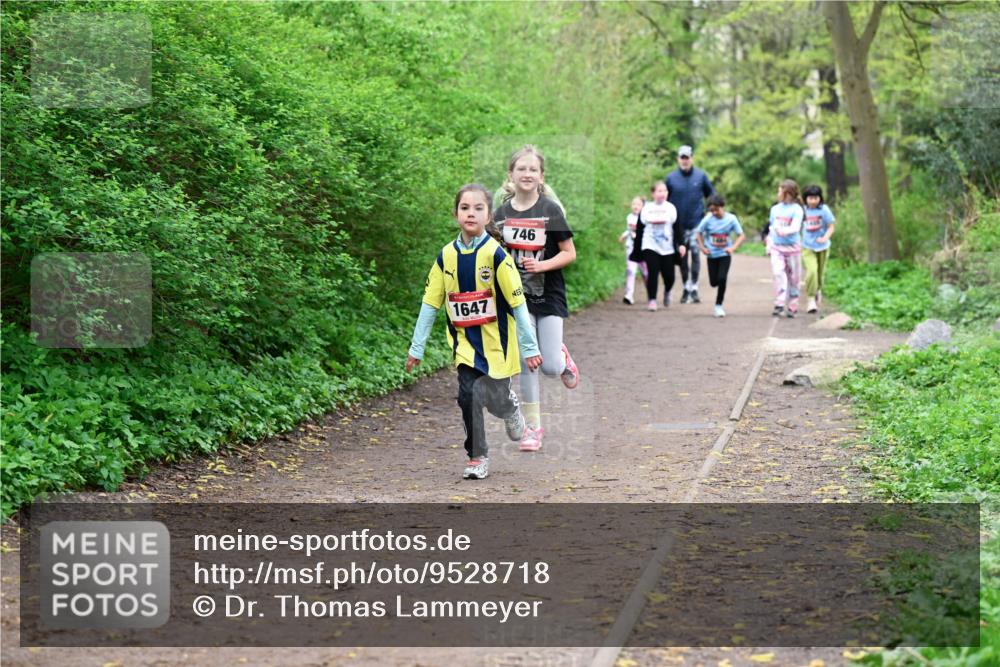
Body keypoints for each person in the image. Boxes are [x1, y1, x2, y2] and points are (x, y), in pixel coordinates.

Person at [406, 184, 543, 480]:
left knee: (496, 401)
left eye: (478, 208)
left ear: (488, 215)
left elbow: (519, 304)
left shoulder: (497, 256)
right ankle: (477, 456)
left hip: (498, 347)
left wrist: (529, 347)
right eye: (465, 208)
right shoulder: (445, 257)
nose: (471, 213)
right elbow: (430, 304)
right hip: (465, 346)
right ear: (456, 213)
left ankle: (511, 410)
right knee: (467, 395)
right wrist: (416, 348)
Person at [493, 145, 580, 453]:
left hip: (550, 292)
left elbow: (570, 253)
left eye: (533, 169)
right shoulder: (500, 215)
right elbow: (491, 255)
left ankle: (562, 356)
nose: (527, 174)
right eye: (521, 169)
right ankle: (533, 428)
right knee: (528, 362)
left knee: (551, 367)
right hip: (519, 298)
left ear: (541, 176)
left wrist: (542, 264)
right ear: (511, 175)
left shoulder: (550, 211)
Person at [665, 145, 716, 304]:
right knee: (681, 257)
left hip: (696, 223)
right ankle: (686, 287)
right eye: (682, 157)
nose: (685, 160)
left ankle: (694, 288)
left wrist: (710, 212)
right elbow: (663, 200)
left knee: (695, 254)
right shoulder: (671, 178)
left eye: (687, 157)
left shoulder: (701, 176)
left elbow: (712, 195)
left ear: (692, 158)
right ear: (678, 159)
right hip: (677, 225)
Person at [694, 193, 745, 318]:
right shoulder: (707, 220)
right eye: (712, 210)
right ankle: (717, 295)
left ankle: (718, 305)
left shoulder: (731, 219)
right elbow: (698, 233)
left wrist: (733, 248)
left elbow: (741, 235)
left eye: (717, 209)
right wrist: (702, 248)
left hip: (724, 254)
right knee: (713, 282)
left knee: (722, 278)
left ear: (723, 206)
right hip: (711, 254)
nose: (715, 212)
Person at [638, 181, 684, 312]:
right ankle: (652, 300)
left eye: (664, 191)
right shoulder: (646, 209)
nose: (662, 193)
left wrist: (681, 244)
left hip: (667, 247)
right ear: (653, 193)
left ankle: (667, 291)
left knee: (669, 276)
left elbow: (678, 228)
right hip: (650, 245)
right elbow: (640, 229)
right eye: (659, 191)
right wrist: (639, 249)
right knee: (652, 272)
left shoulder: (671, 208)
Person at [767, 179, 805, 318]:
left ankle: (793, 305)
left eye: (780, 190)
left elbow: (795, 227)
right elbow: (771, 227)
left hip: (792, 249)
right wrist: (769, 243)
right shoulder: (775, 209)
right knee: (778, 274)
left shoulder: (797, 209)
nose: (778, 193)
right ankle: (779, 303)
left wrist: (783, 230)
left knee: (794, 278)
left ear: (787, 193)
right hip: (777, 248)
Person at [801, 184, 836, 314]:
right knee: (812, 271)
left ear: (820, 198)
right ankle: (810, 299)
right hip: (807, 246)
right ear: (805, 199)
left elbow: (831, 226)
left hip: (822, 246)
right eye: (810, 198)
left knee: (820, 274)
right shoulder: (802, 210)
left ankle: (818, 290)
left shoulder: (824, 210)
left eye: (816, 198)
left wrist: (825, 238)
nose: (813, 201)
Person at [618, 196, 648, 305]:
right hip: (631, 247)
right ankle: (629, 295)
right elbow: (629, 230)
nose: (635, 206)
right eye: (634, 204)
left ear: (643, 206)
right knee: (631, 271)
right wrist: (623, 235)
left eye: (638, 204)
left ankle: (650, 293)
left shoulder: (646, 217)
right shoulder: (629, 217)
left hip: (643, 249)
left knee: (646, 273)